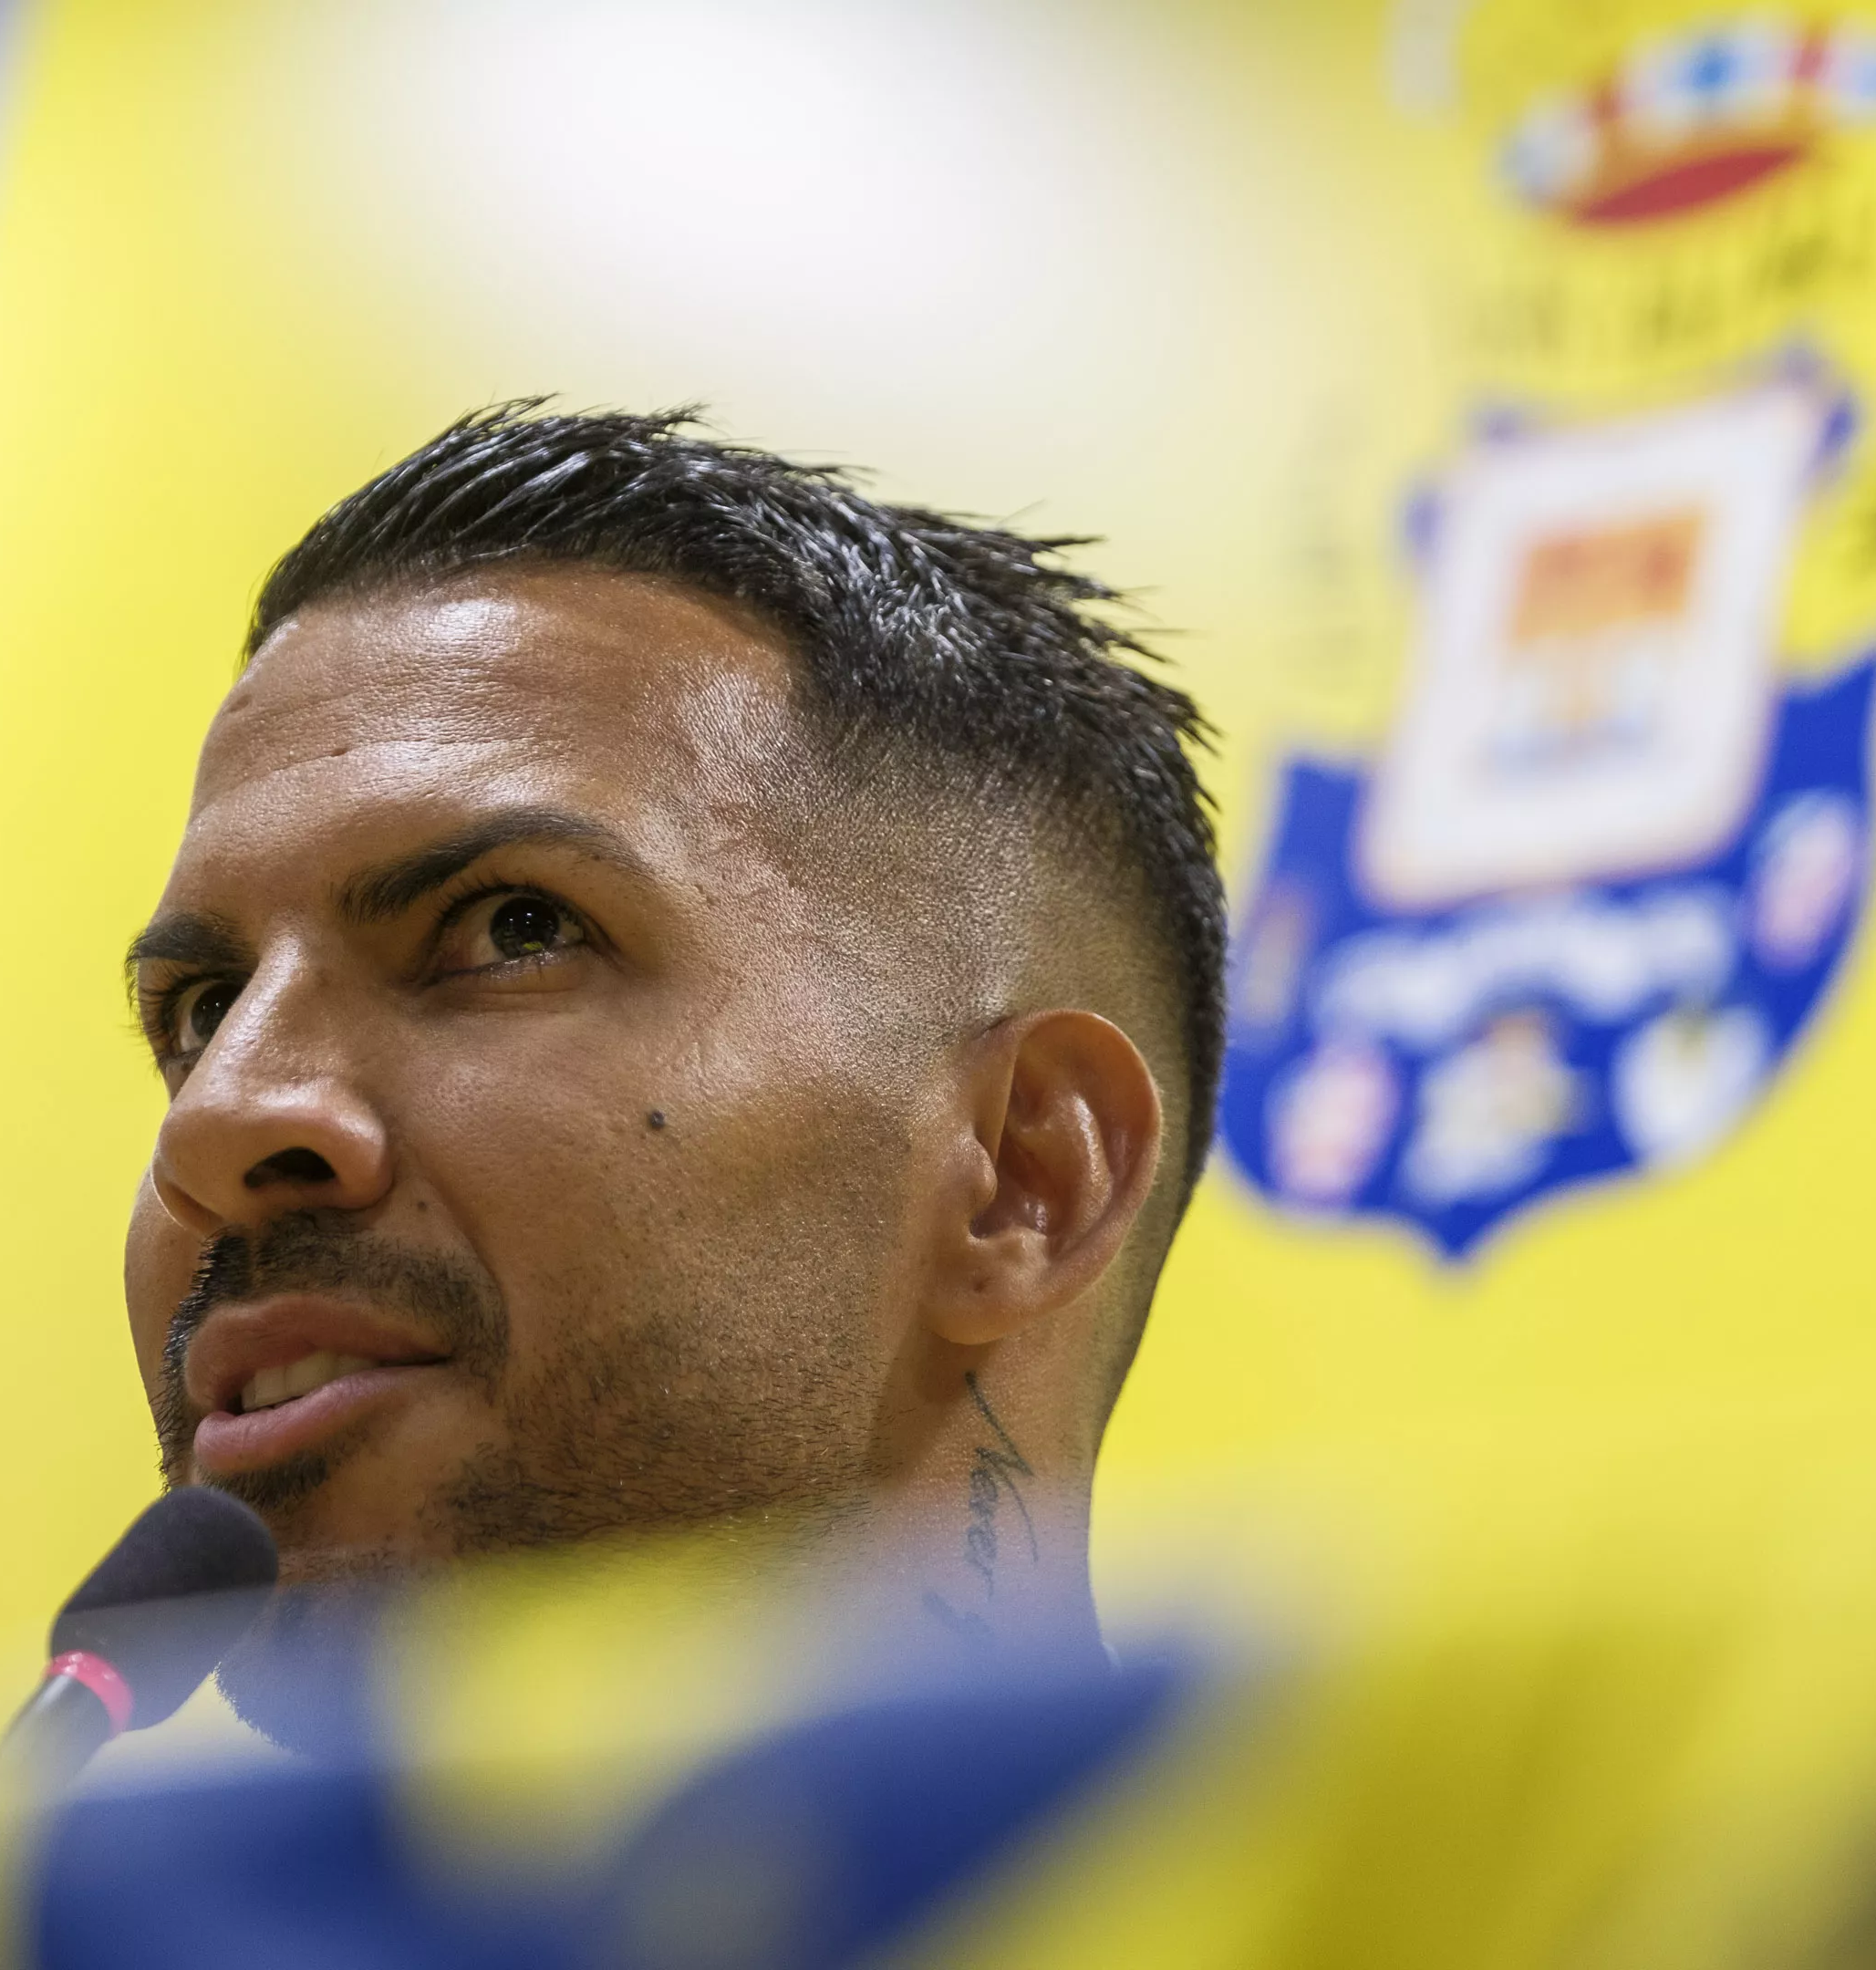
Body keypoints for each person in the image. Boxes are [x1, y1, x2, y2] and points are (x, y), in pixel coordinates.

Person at [119, 405, 1224, 1675]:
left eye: (514, 927)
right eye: (201, 1014)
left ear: (1023, 1178)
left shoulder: (1440, 1874)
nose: (213, 1121)